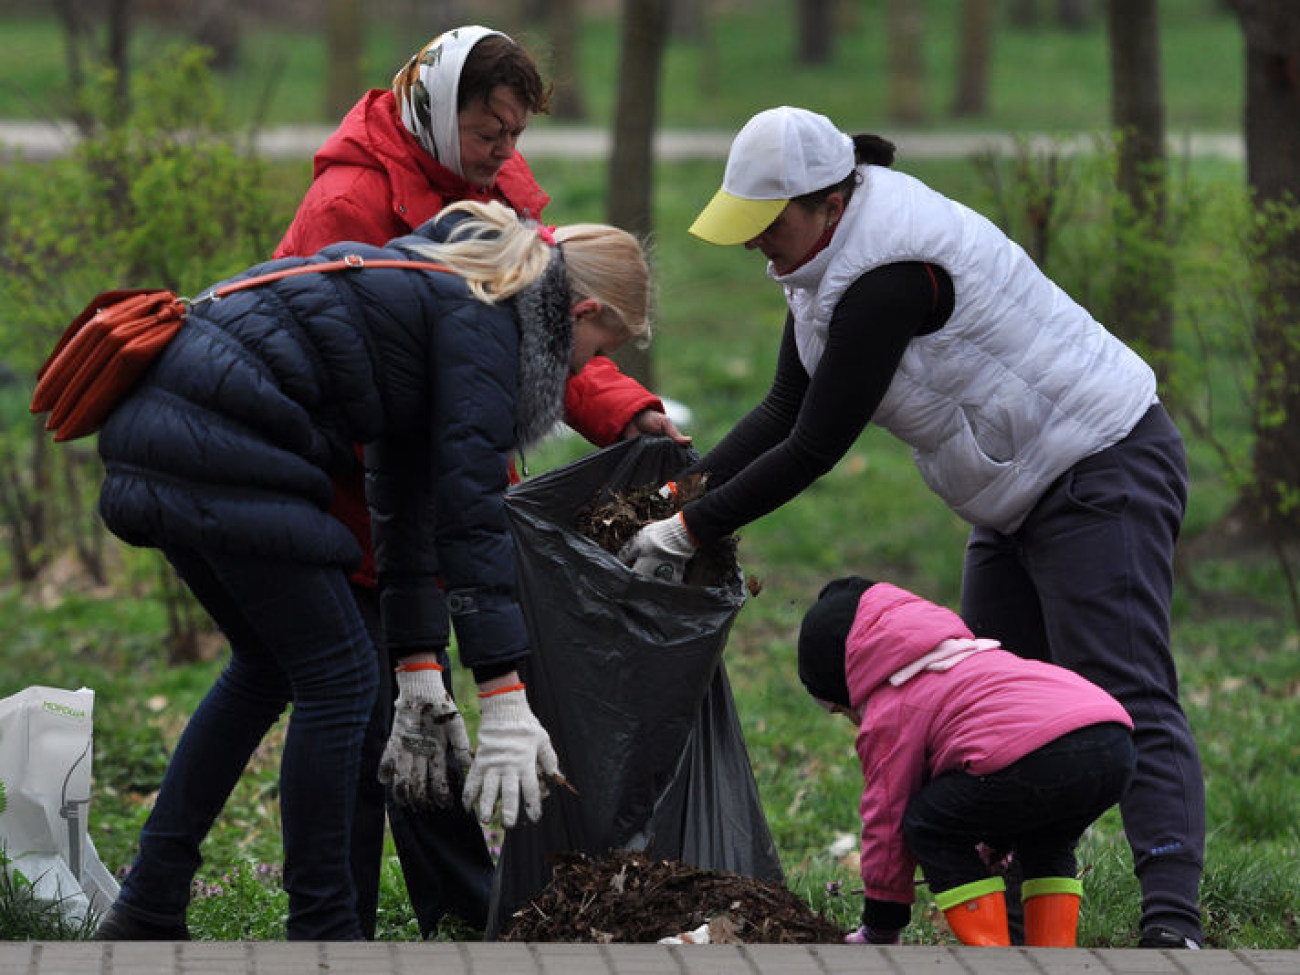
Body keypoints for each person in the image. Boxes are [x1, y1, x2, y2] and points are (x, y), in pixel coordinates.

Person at [619, 105, 1206, 950]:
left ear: (825, 200)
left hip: (1099, 459)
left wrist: (688, 530)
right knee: (996, 719)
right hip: (1011, 492)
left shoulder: (890, 271)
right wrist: (680, 491)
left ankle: (1175, 927)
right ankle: (1014, 927)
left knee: (1124, 687)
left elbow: (819, 442)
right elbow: (785, 405)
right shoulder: (822, 260)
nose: (756, 244)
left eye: (767, 223)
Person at [86, 199, 651, 941]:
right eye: (596, 349)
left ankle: (149, 904)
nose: (585, 369)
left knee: (266, 668)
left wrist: (420, 663)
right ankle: (323, 932)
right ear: (581, 310)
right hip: (223, 443)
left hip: (163, 428)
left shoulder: (447, 287)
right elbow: (469, 511)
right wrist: (504, 696)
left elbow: (402, 490)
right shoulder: (487, 324)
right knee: (341, 680)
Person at [274, 25, 687, 938]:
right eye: (491, 130)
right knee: (373, 712)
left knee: (428, 711)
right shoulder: (351, 199)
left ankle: (464, 909)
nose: (508, 151)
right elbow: (329, 371)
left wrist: (624, 410)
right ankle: (333, 922)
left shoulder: (489, 193)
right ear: (436, 108)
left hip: (450, 491)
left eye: (516, 134)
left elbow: (541, 340)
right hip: (355, 505)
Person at [797, 576, 1135, 947]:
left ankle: (989, 958)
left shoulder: (892, 706)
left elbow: (888, 816)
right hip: (1111, 739)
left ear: (850, 682)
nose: (854, 722)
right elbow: (1005, 750)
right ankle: (1054, 956)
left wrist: (882, 924)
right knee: (1046, 842)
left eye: (844, 712)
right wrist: (997, 836)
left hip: (1042, 753)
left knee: (928, 823)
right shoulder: (970, 660)